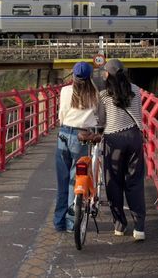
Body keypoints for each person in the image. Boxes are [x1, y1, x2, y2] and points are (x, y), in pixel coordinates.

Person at [98, 58, 146, 241]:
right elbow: (139, 115)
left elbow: (101, 121)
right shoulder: (136, 90)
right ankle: (139, 228)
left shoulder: (104, 95)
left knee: (114, 182)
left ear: (108, 74)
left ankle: (120, 224)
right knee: (134, 182)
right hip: (134, 137)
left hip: (114, 140)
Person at [54, 61, 100, 232]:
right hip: (81, 137)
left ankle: (59, 222)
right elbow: (97, 118)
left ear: (73, 75)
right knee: (76, 180)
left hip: (64, 134)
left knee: (63, 181)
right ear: (90, 76)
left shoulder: (65, 91)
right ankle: (71, 223)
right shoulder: (95, 93)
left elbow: (61, 115)